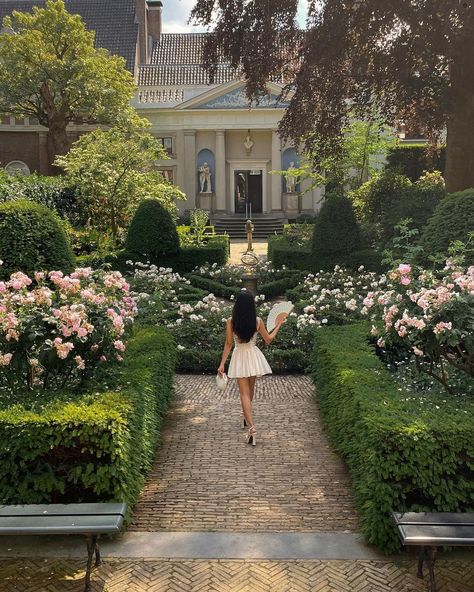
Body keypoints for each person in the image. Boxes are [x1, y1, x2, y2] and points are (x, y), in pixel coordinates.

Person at [218, 290, 287, 446]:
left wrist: (222, 364)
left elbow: (228, 344)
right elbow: (268, 340)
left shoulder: (231, 321)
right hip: (253, 355)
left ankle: (251, 427)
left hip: (239, 356)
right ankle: (246, 417)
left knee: (244, 394)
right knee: (250, 390)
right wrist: (278, 325)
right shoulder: (257, 321)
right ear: (251, 306)